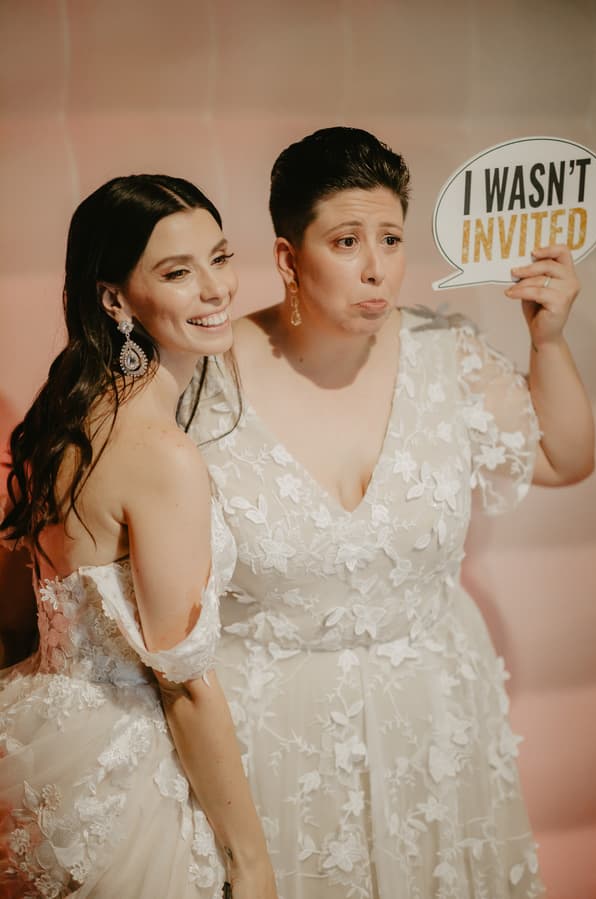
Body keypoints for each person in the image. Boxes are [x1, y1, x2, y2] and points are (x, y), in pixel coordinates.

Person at [185, 127, 595, 898]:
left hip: (433, 717)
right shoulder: (206, 374)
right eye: (347, 241)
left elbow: (565, 458)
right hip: (274, 736)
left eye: (392, 239)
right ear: (287, 258)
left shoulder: (446, 353)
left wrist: (549, 338)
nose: (378, 267)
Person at [0, 174, 277, 899]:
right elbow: (183, 682)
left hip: (53, 737)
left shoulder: (67, 416)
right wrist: (252, 866)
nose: (216, 288)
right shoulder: (161, 451)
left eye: (220, 257)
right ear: (115, 299)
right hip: (130, 765)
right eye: (178, 272)